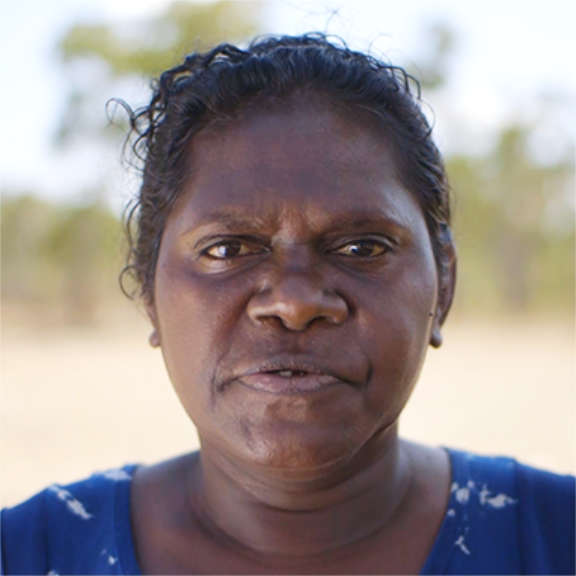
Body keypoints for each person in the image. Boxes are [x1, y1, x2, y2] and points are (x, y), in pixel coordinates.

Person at [1, 33, 574, 575]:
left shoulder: (555, 539)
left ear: (443, 283)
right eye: (227, 249)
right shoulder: (26, 553)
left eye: (361, 247)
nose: (294, 303)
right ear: (150, 291)